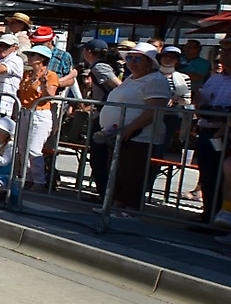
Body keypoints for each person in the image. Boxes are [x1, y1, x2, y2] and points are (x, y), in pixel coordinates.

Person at [90, 43, 172, 213]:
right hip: (120, 134)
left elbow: (154, 110)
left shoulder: (155, 80)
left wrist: (130, 129)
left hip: (139, 136)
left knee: (133, 173)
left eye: (138, 59)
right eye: (129, 58)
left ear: (149, 62)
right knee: (118, 172)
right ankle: (116, 207)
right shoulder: (131, 78)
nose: (132, 62)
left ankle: (130, 211)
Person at [192, 54, 231, 217]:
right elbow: (202, 103)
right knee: (208, 175)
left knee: (225, 176)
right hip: (208, 132)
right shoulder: (214, 79)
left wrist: (222, 115)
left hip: (227, 135)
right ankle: (208, 214)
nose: (225, 55)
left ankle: (223, 215)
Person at [17, 46, 59, 188]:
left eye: (32, 55)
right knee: (22, 149)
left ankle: (39, 181)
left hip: (40, 114)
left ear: (42, 59)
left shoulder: (50, 75)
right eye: (29, 54)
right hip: (25, 112)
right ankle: (27, 178)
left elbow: (50, 96)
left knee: (34, 150)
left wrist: (44, 84)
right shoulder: (27, 74)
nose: (29, 57)